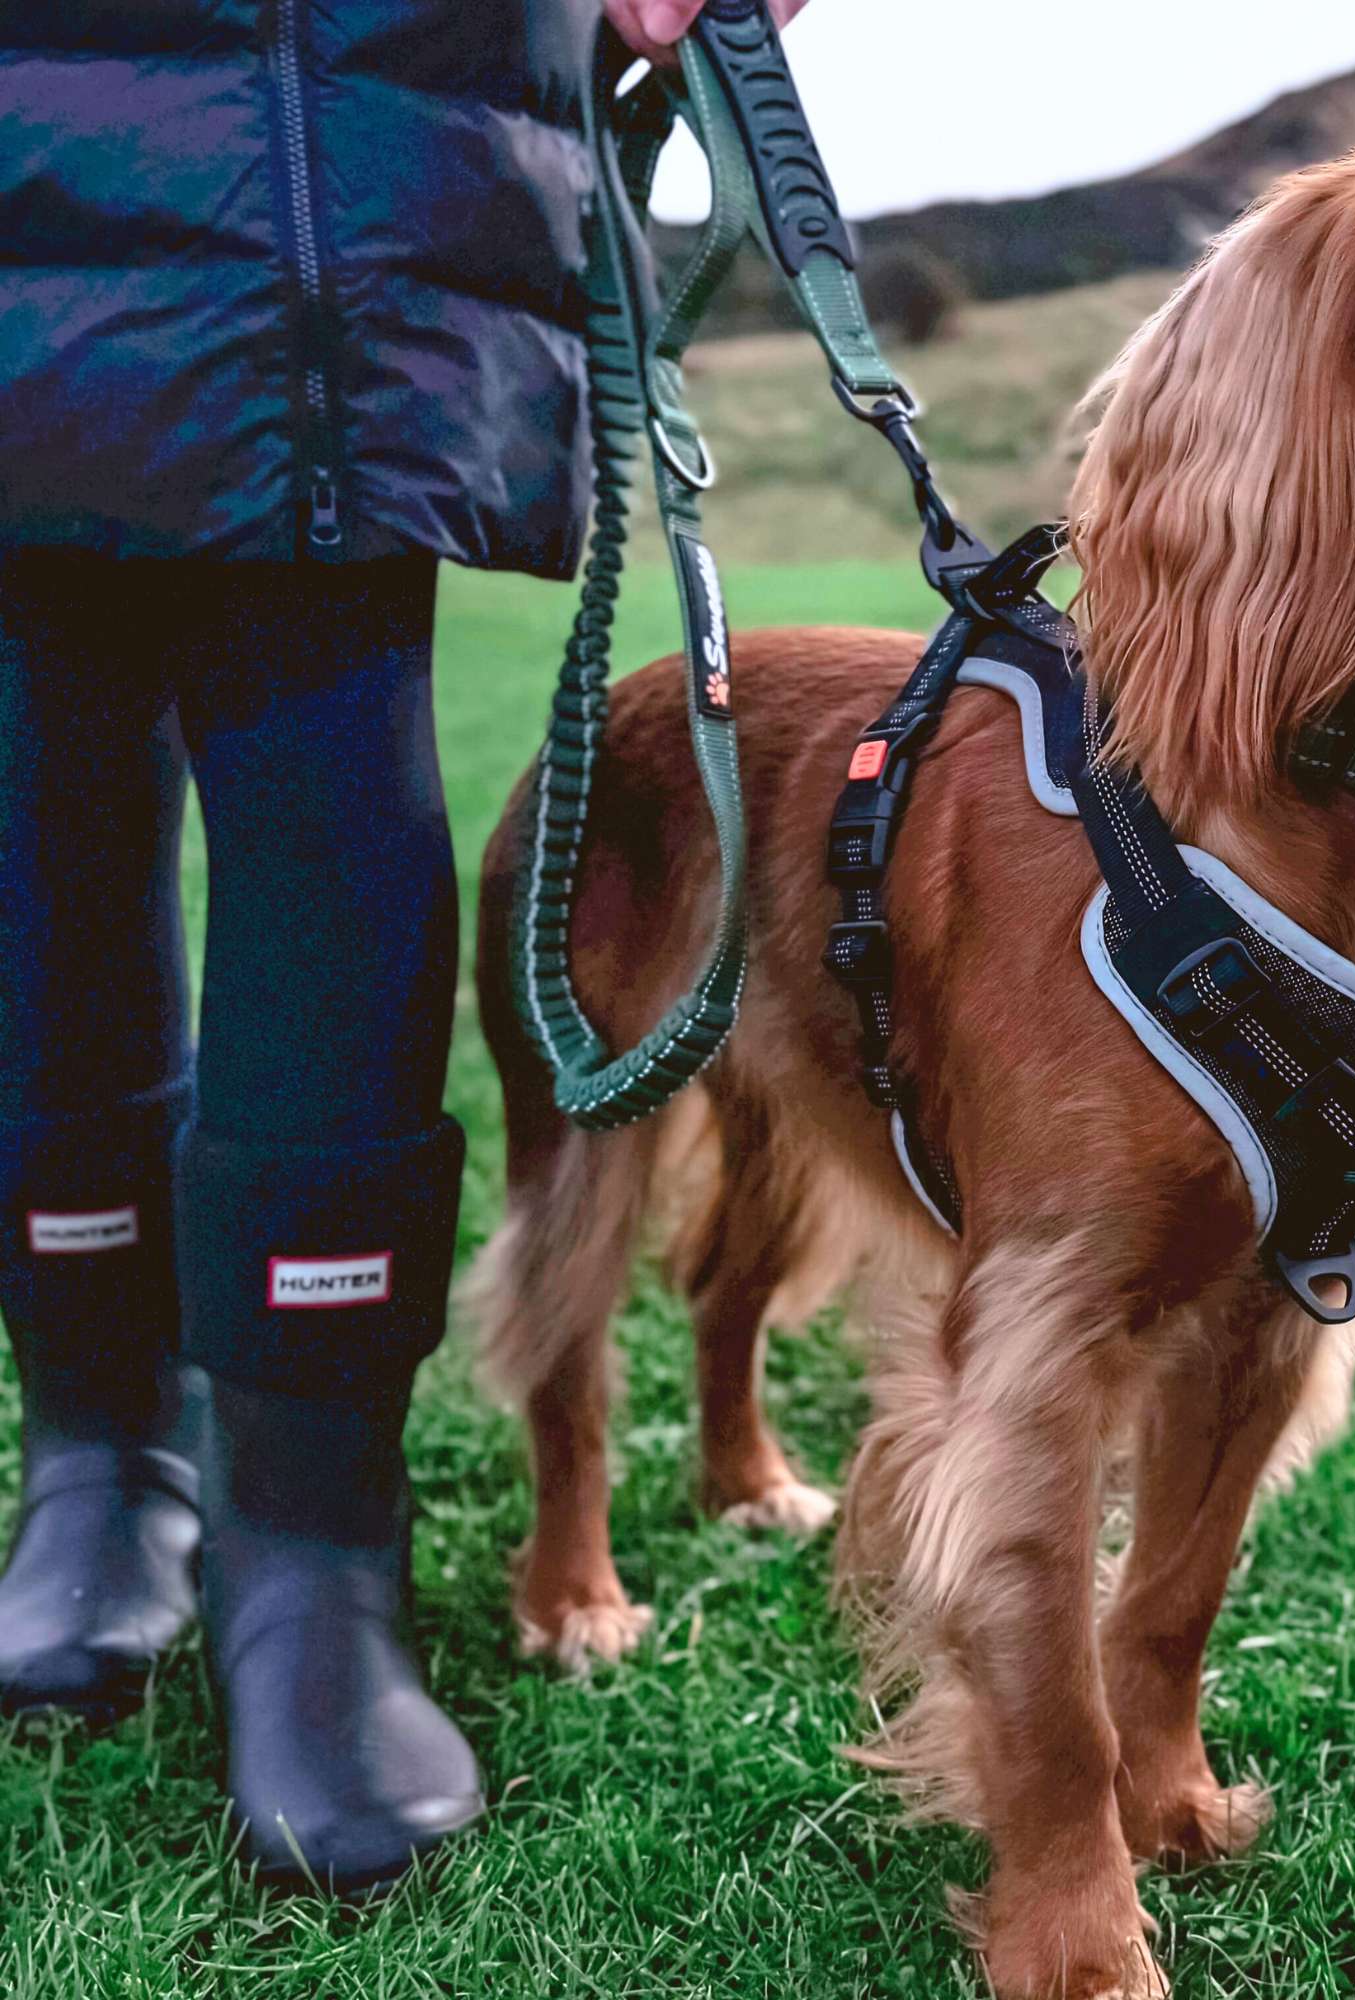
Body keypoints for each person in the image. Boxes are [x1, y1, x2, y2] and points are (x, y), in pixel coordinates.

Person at [0, 0, 804, 1891]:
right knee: (39, 826)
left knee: (327, 787)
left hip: (358, 149)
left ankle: (311, 1548)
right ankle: (104, 1457)